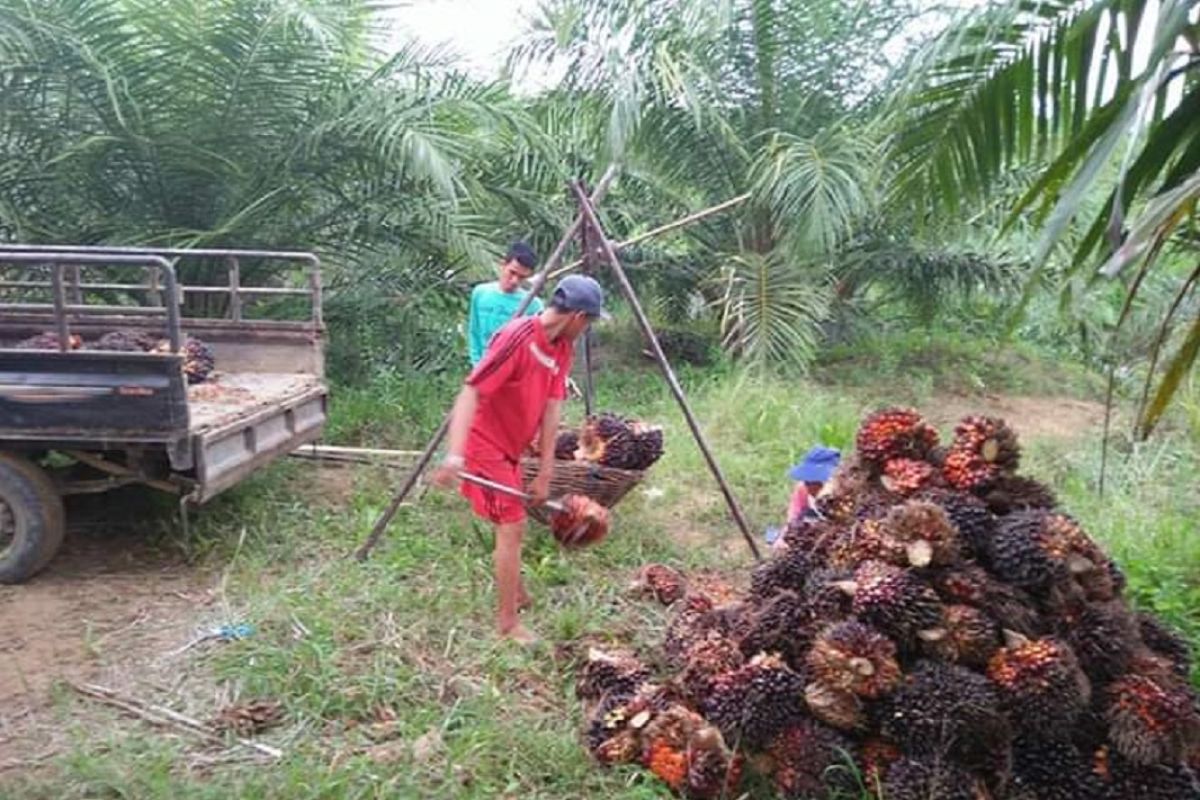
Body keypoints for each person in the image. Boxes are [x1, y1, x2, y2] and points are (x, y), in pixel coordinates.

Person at [432, 275, 607, 644]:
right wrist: (455, 453)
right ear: (577, 316)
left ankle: (518, 592)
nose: (587, 329)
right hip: (484, 443)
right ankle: (508, 624)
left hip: (512, 446)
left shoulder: (562, 348)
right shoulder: (516, 337)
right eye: (589, 322)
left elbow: (552, 408)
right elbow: (471, 392)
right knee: (511, 525)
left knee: (517, 520)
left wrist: (545, 471)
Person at [467, 241, 543, 366]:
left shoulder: (533, 305)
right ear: (503, 265)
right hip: (481, 370)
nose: (514, 281)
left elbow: (535, 346)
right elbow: (474, 332)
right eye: (512, 272)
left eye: (521, 277)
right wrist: (476, 364)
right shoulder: (480, 293)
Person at [766, 446, 841, 549]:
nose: (809, 486)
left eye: (814, 482)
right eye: (807, 481)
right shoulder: (802, 489)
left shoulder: (843, 492)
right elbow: (793, 518)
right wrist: (782, 538)